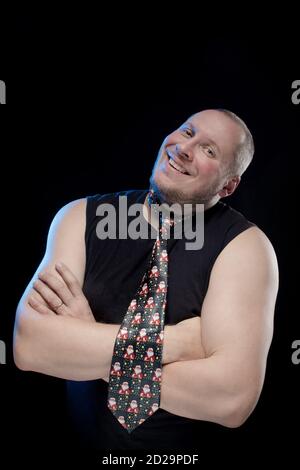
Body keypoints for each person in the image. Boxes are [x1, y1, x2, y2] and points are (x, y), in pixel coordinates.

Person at [13, 109, 278, 453]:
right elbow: (31, 346)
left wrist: (85, 343)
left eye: (209, 150)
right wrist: (175, 342)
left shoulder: (244, 247)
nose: (184, 148)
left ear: (228, 185)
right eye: (187, 132)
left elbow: (232, 400)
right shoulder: (79, 218)